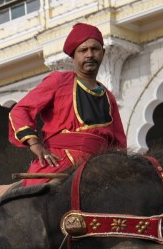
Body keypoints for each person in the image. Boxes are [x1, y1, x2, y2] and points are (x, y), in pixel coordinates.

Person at [8, 22, 128, 185]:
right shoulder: (59, 81)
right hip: (61, 163)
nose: (90, 55)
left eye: (95, 49)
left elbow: (118, 143)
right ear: (74, 56)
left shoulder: (108, 96)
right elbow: (20, 111)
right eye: (83, 50)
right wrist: (35, 145)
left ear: (103, 53)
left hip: (101, 166)